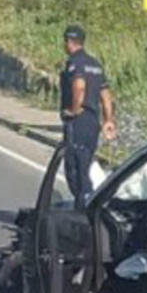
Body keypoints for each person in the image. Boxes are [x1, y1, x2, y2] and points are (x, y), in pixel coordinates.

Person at [59, 25, 115, 209]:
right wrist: (108, 120)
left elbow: (79, 86)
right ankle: (85, 204)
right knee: (86, 162)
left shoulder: (75, 63)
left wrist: (74, 110)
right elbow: (106, 96)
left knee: (74, 167)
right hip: (92, 123)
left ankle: (84, 208)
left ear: (69, 41)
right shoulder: (95, 64)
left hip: (79, 122)